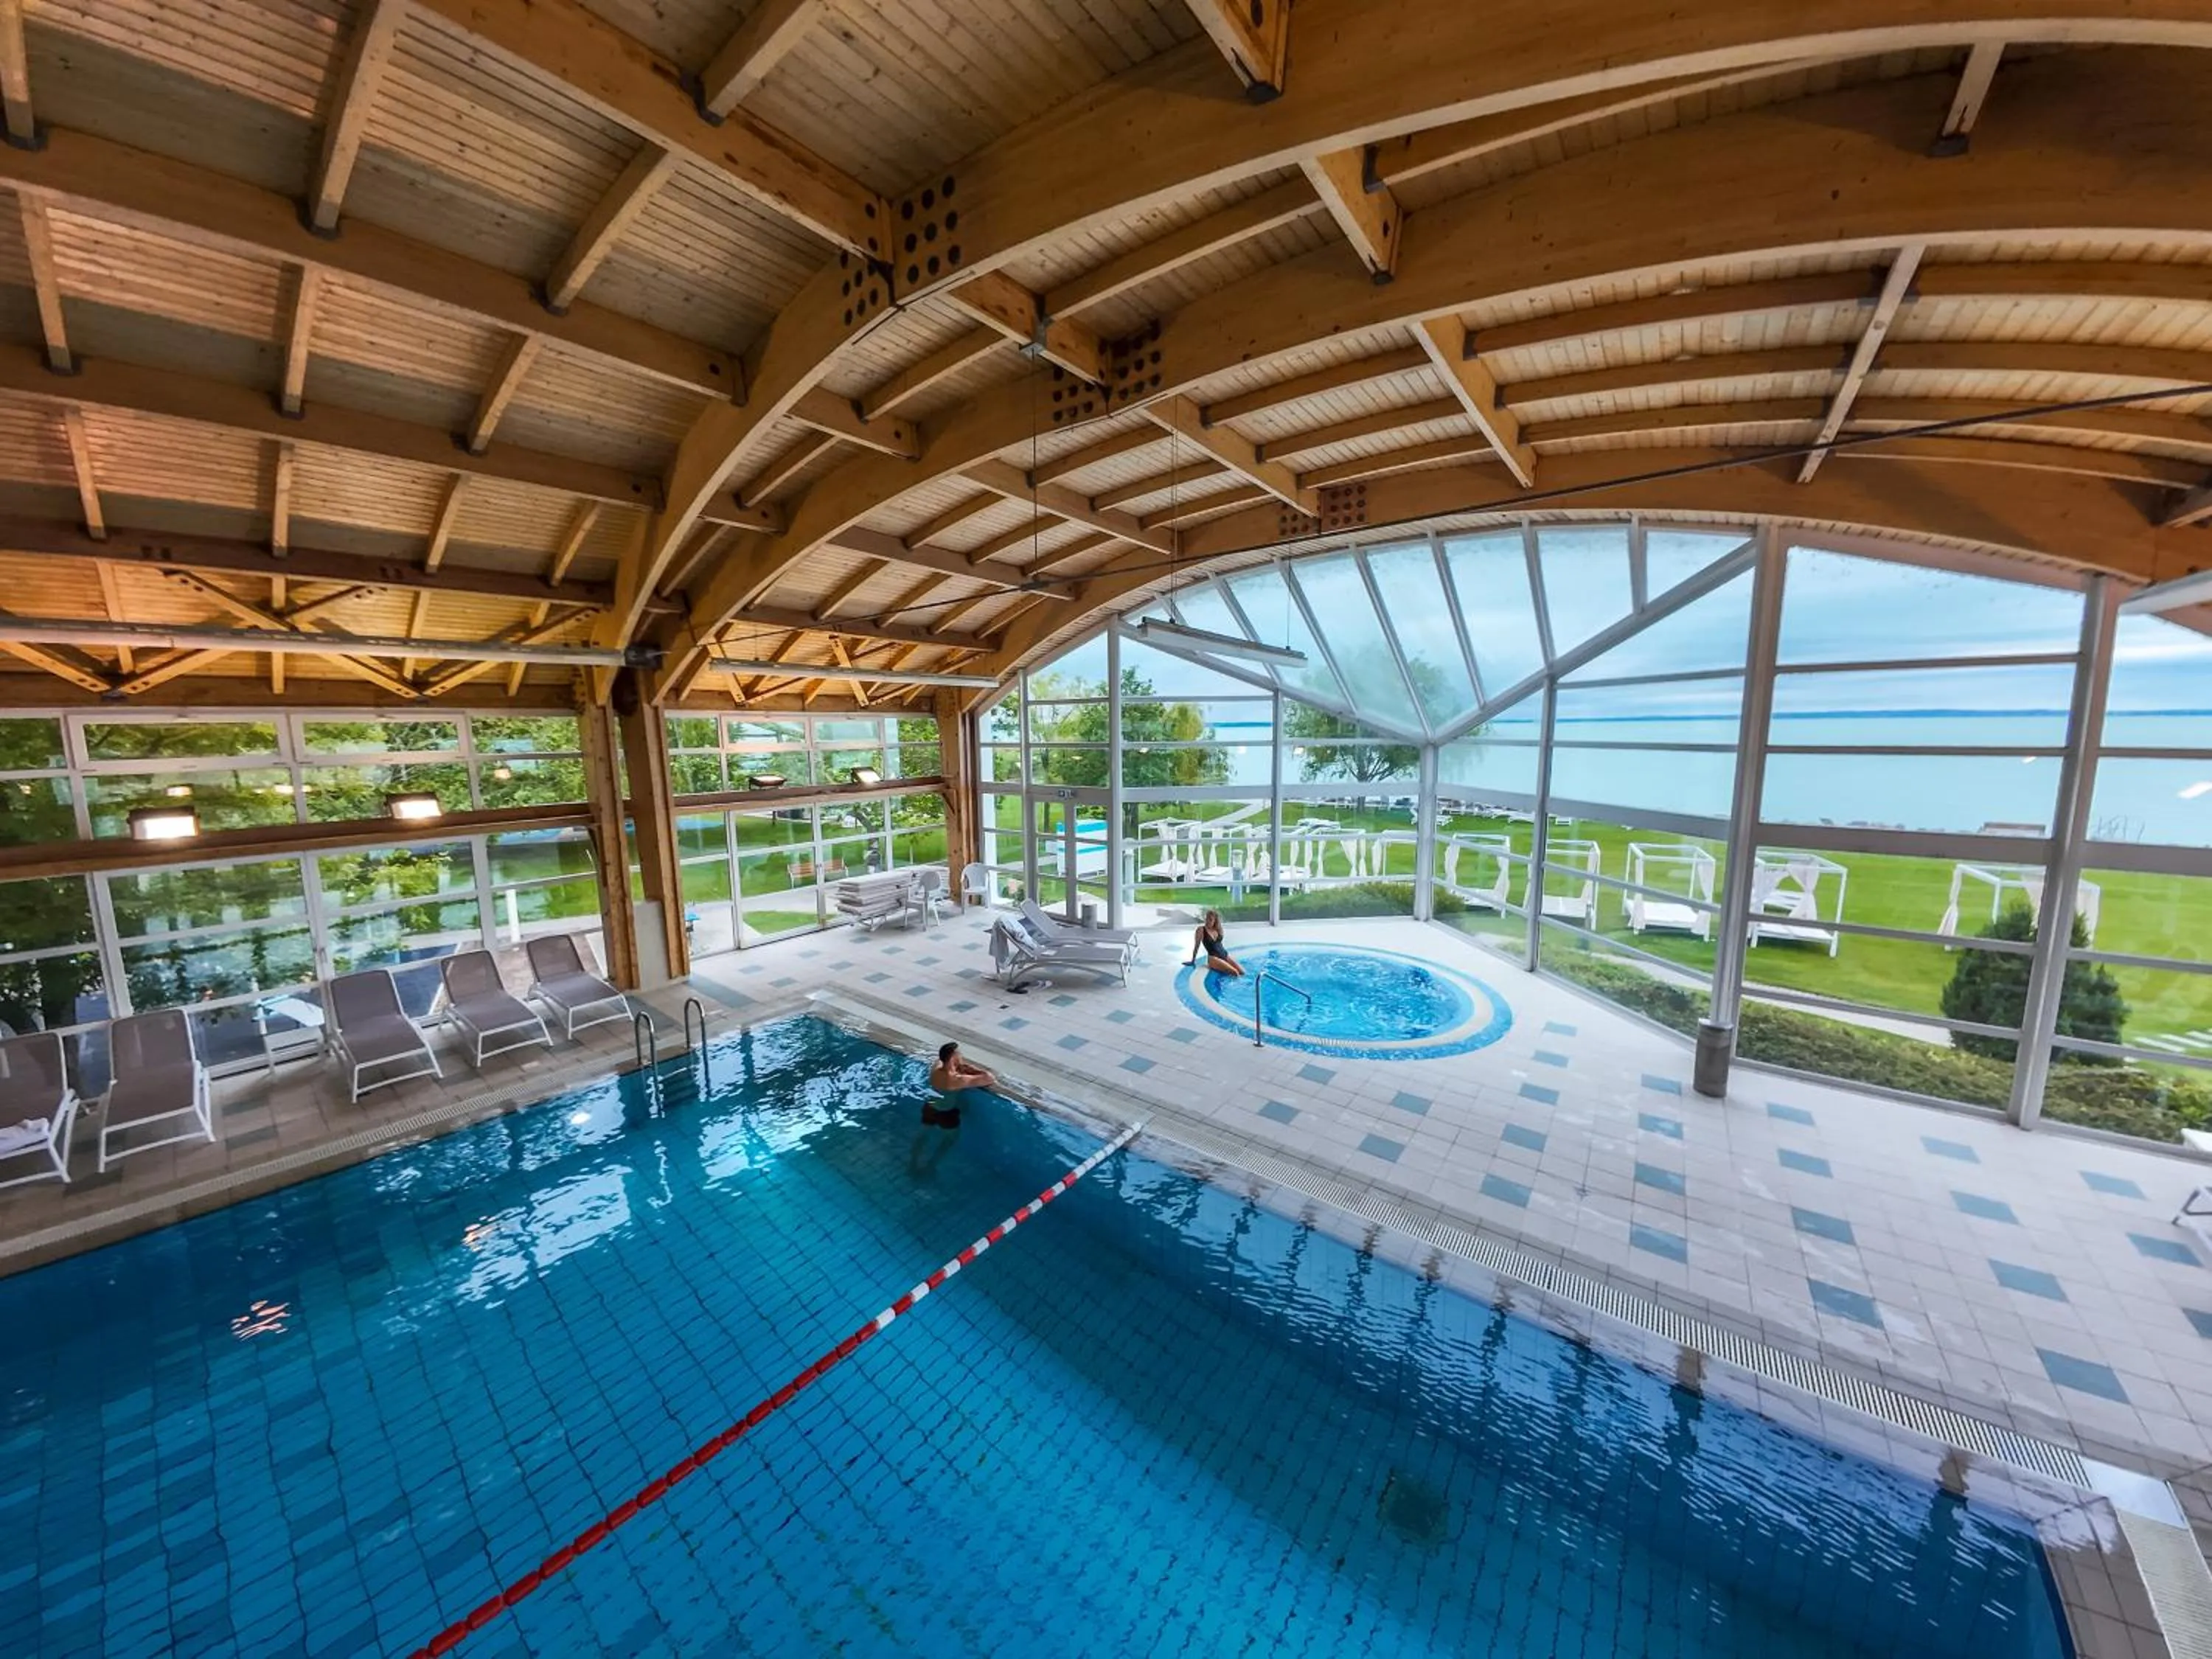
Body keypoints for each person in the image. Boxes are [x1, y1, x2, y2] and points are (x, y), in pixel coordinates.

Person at [924, 1041, 995, 1128]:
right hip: (946, 1113)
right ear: (953, 1058)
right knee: (951, 1137)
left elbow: (942, 1061)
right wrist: (973, 1069)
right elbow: (990, 1078)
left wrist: (957, 1066)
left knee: (925, 1132)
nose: (961, 1056)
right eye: (959, 1054)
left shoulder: (936, 1068)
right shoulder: (957, 1080)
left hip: (930, 1106)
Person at [1189, 908, 1242, 977]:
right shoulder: (1201, 930)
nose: (1208, 921)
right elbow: (1197, 946)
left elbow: (1219, 945)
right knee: (1235, 973)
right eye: (1207, 919)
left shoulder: (1218, 930)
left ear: (1215, 921)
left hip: (1224, 955)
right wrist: (1193, 960)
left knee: (1242, 972)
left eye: (1210, 919)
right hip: (1213, 958)